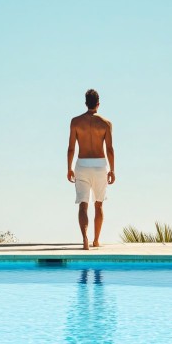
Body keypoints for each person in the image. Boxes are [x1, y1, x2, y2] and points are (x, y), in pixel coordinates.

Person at [67, 89, 115, 250]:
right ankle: (96, 240)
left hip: (82, 164)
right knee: (99, 205)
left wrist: (69, 168)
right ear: (98, 104)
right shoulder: (106, 123)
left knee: (83, 204)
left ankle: (85, 238)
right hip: (100, 165)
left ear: (86, 103)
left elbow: (71, 148)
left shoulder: (75, 122)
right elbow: (109, 149)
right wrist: (112, 170)